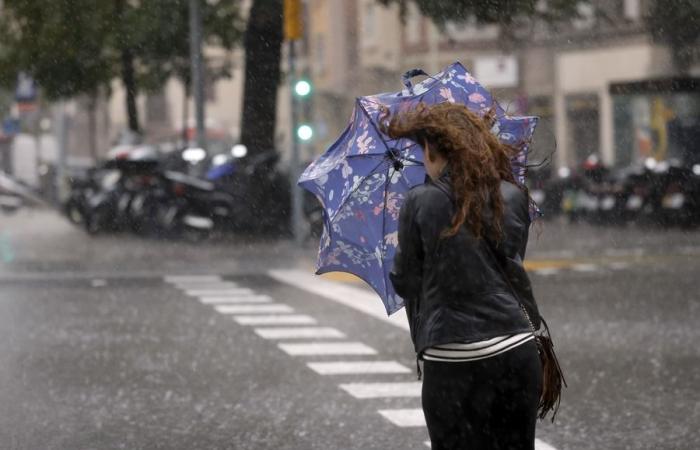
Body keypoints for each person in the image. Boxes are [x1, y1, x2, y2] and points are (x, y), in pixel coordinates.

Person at [386, 102, 544, 450]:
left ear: (432, 149)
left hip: (452, 357)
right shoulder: (511, 196)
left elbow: (406, 282)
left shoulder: (419, 202)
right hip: (515, 349)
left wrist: (407, 247)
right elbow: (505, 268)